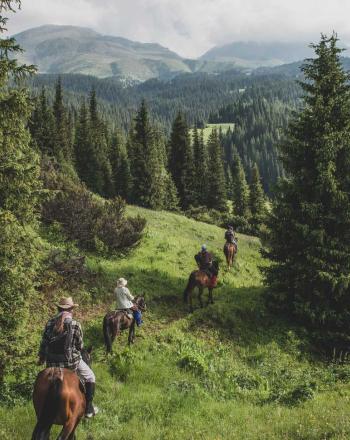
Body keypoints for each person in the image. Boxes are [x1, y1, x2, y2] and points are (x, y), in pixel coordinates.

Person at [38, 297, 98, 418]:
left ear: (58, 308)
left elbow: (44, 343)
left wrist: (42, 357)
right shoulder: (75, 324)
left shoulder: (49, 323)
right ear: (71, 309)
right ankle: (88, 409)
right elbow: (80, 345)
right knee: (91, 376)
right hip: (71, 363)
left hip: (51, 363)